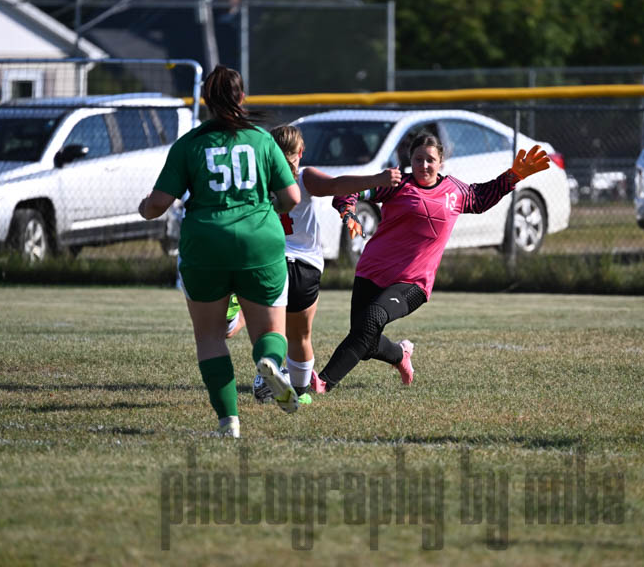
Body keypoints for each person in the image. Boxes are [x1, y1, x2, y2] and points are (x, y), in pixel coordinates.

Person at [138, 65, 301, 438]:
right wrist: (262, 209)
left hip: (205, 244)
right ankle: (268, 362)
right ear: (242, 98)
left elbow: (158, 205)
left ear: (207, 102)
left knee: (210, 336)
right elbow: (291, 197)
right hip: (259, 241)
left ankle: (229, 422)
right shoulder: (262, 140)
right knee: (270, 331)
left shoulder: (191, 143)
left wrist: (143, 207)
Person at [317, 133, 551, 391]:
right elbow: (350, 191)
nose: (424, 165)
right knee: (365, 341)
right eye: (418, 159)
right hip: (371, 272)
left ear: (441, 162)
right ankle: (400, 355)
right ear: (410, 160)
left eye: (430, 159)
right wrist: (347, 211)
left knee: (371, 320)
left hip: (413, 282)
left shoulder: (454, 191)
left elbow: (482, 197)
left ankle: (322, 383)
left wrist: (513, 176)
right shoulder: (396, 184)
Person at [252, 124, 402, 402]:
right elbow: (336, 185)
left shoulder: (260, 179)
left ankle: (265, 369)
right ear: (301, 151)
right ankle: (298, 390)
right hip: (304, 269)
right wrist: (377, 178)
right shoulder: (304, 177)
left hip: (270, 265)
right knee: (301, 337)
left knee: (269, 330)